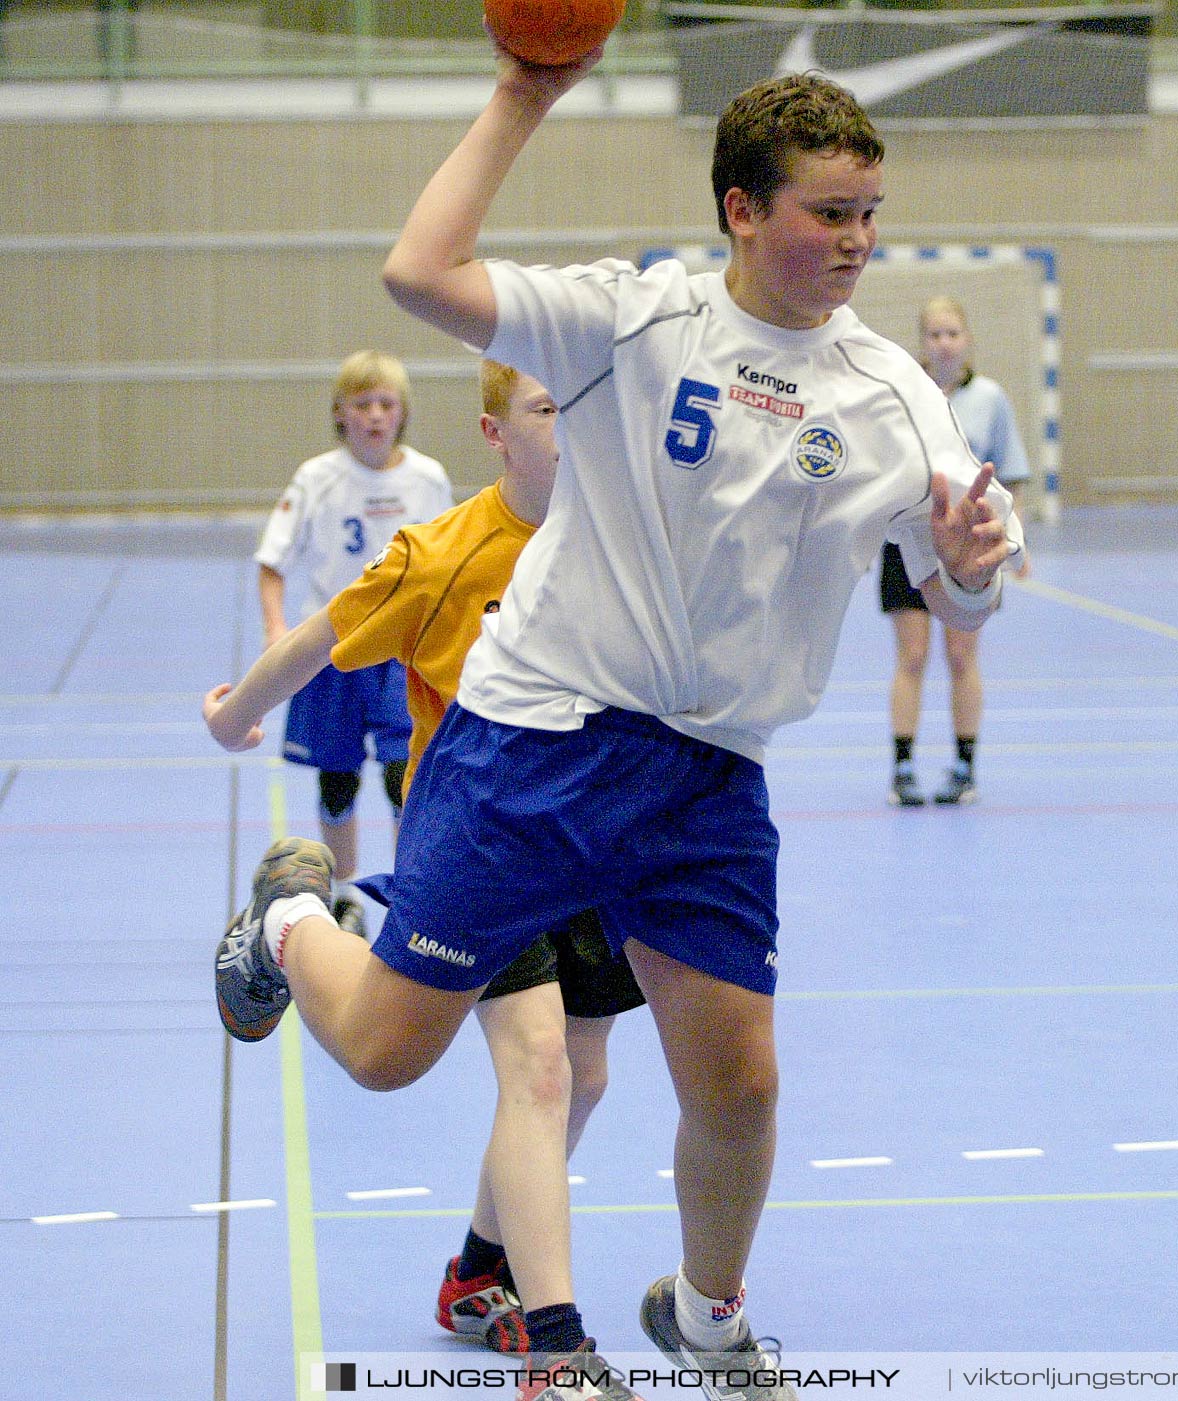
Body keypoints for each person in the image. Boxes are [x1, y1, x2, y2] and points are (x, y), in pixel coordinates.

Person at [213, 55, 1022, 1401]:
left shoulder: (895, 394)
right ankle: (290, 926)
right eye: (830, 211)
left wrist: (973, 560)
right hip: (537, 740)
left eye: (871, 211)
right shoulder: (630, 319)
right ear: (742, 212)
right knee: (386, 1053)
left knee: (741, 1088)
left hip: (711, 779)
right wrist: (529, 92)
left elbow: (966, 596)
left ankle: (707, 1319)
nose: (859, 240)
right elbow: (420, 271)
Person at [208, 362, 644, 1371]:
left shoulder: (631, 542)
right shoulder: (443, 553)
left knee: (582, 1075)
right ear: (497, 434)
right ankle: (558, 1353)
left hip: (594, 841)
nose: (576, 430)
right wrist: (236, 716)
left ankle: (476, 1277)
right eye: (548, 412)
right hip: (478, 836)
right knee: (526, 1066)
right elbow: (320, 640)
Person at [253, 350, 453, 934]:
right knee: (337, 779)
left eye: (385, 404)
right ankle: (345, 898)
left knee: (405, 777)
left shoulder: (426, 477)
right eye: (361, 404)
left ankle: (408, 894)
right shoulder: (318, 478)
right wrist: (276, 632)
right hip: (334, 652)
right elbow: (272, 562)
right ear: (340, 413)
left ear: (402, 413)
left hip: (402, 655)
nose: (373, 416)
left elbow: (449, 564)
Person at [881, 295, 1032, 807]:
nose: (943, 343)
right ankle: (903, 765)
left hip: (973, 545)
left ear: (966, 339)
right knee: (913, 654)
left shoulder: (990, 398)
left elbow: (1009, 473)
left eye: (952, 333)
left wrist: (1017, 544)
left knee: (961, 651)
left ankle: (964, 765)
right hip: (909, 537)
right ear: (922, 342)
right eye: (934, 334)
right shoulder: (904, 393)